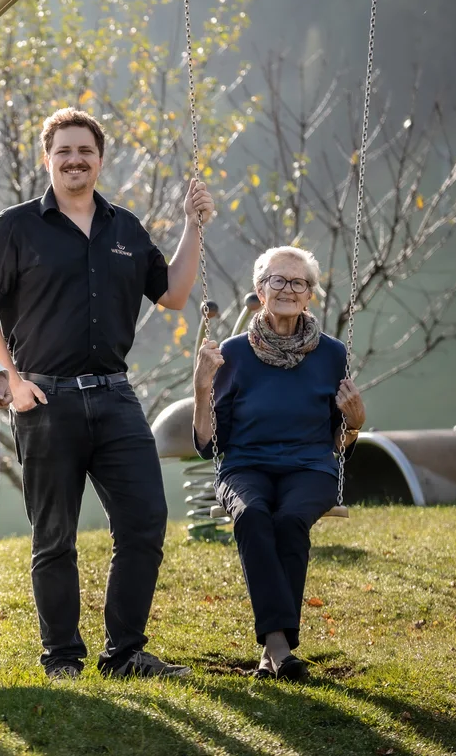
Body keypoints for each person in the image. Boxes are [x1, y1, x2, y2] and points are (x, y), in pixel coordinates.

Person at [0, 106, 214, 680]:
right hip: (45, 401)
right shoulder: (15, 227)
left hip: (115, 398)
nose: (74, 160)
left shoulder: (125, 228)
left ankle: (125, 653)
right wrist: (10, 380)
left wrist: (193, 225)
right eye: (64, 151)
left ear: (100, 160)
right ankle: (62, 657)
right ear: (47, 158)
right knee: (53, 535)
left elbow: (175, 295)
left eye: (85, 151)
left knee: (146, 522)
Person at [192, 246, 366, 680]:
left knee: (289, 521)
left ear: (310, 295)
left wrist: (357, 423)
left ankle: (275, 651)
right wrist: (200, 387)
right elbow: (207, 443)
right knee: (252, 516)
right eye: (278, 280)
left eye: (298, 282)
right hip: (245, 467)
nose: (288, 289)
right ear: (260, 289)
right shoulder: (231, 353)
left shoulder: (331, 355)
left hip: (311, 469)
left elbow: (340, 443)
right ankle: (279, 649)